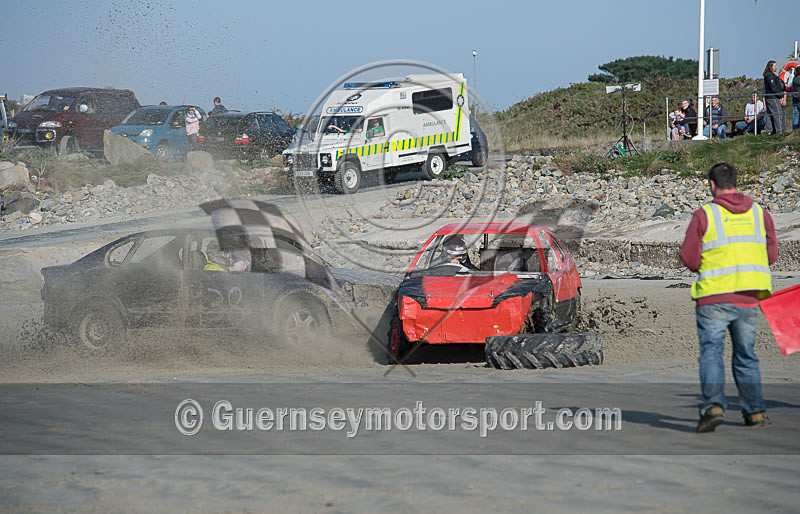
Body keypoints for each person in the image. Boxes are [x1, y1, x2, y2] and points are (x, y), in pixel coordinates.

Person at [680, 162, 777, 433]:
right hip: (748, 296)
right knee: (746, 355)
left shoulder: (705, 215)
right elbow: (771, 256)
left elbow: (689, 257)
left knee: (711, 353)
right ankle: (755, 412)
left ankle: (713, 407)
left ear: (712, 184)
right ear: (736, 181)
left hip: (713, 296)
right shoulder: (760, 213)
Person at [763, 60, 786, 134]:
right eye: (775, 66)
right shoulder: (770, 76)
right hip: (773, 97)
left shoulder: (770, 75)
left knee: (770, 114)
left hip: (769, 97)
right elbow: (773, 88)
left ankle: (770, 131)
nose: (776, 67)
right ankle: (780, 131)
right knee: (777, 114)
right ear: (771, 67)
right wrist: (780, 96)